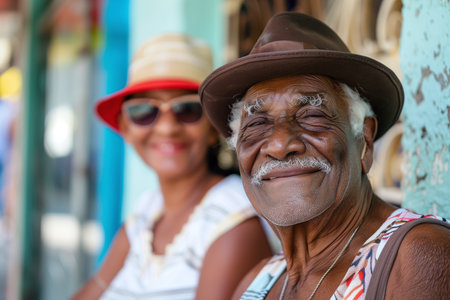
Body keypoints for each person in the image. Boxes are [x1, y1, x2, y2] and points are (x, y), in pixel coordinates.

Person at [199, 12, 450, 300]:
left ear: (364, 138)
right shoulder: (256, 284)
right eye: (257, 123)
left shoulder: (416, 258)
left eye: (312, 115)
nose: (280, 145)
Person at [71, 33, 273, 300]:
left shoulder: (233, 219)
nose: (167, 127)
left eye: (187, 109)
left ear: (214, 129)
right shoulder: (146, 213)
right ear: (125, 127)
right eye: (144, 111)